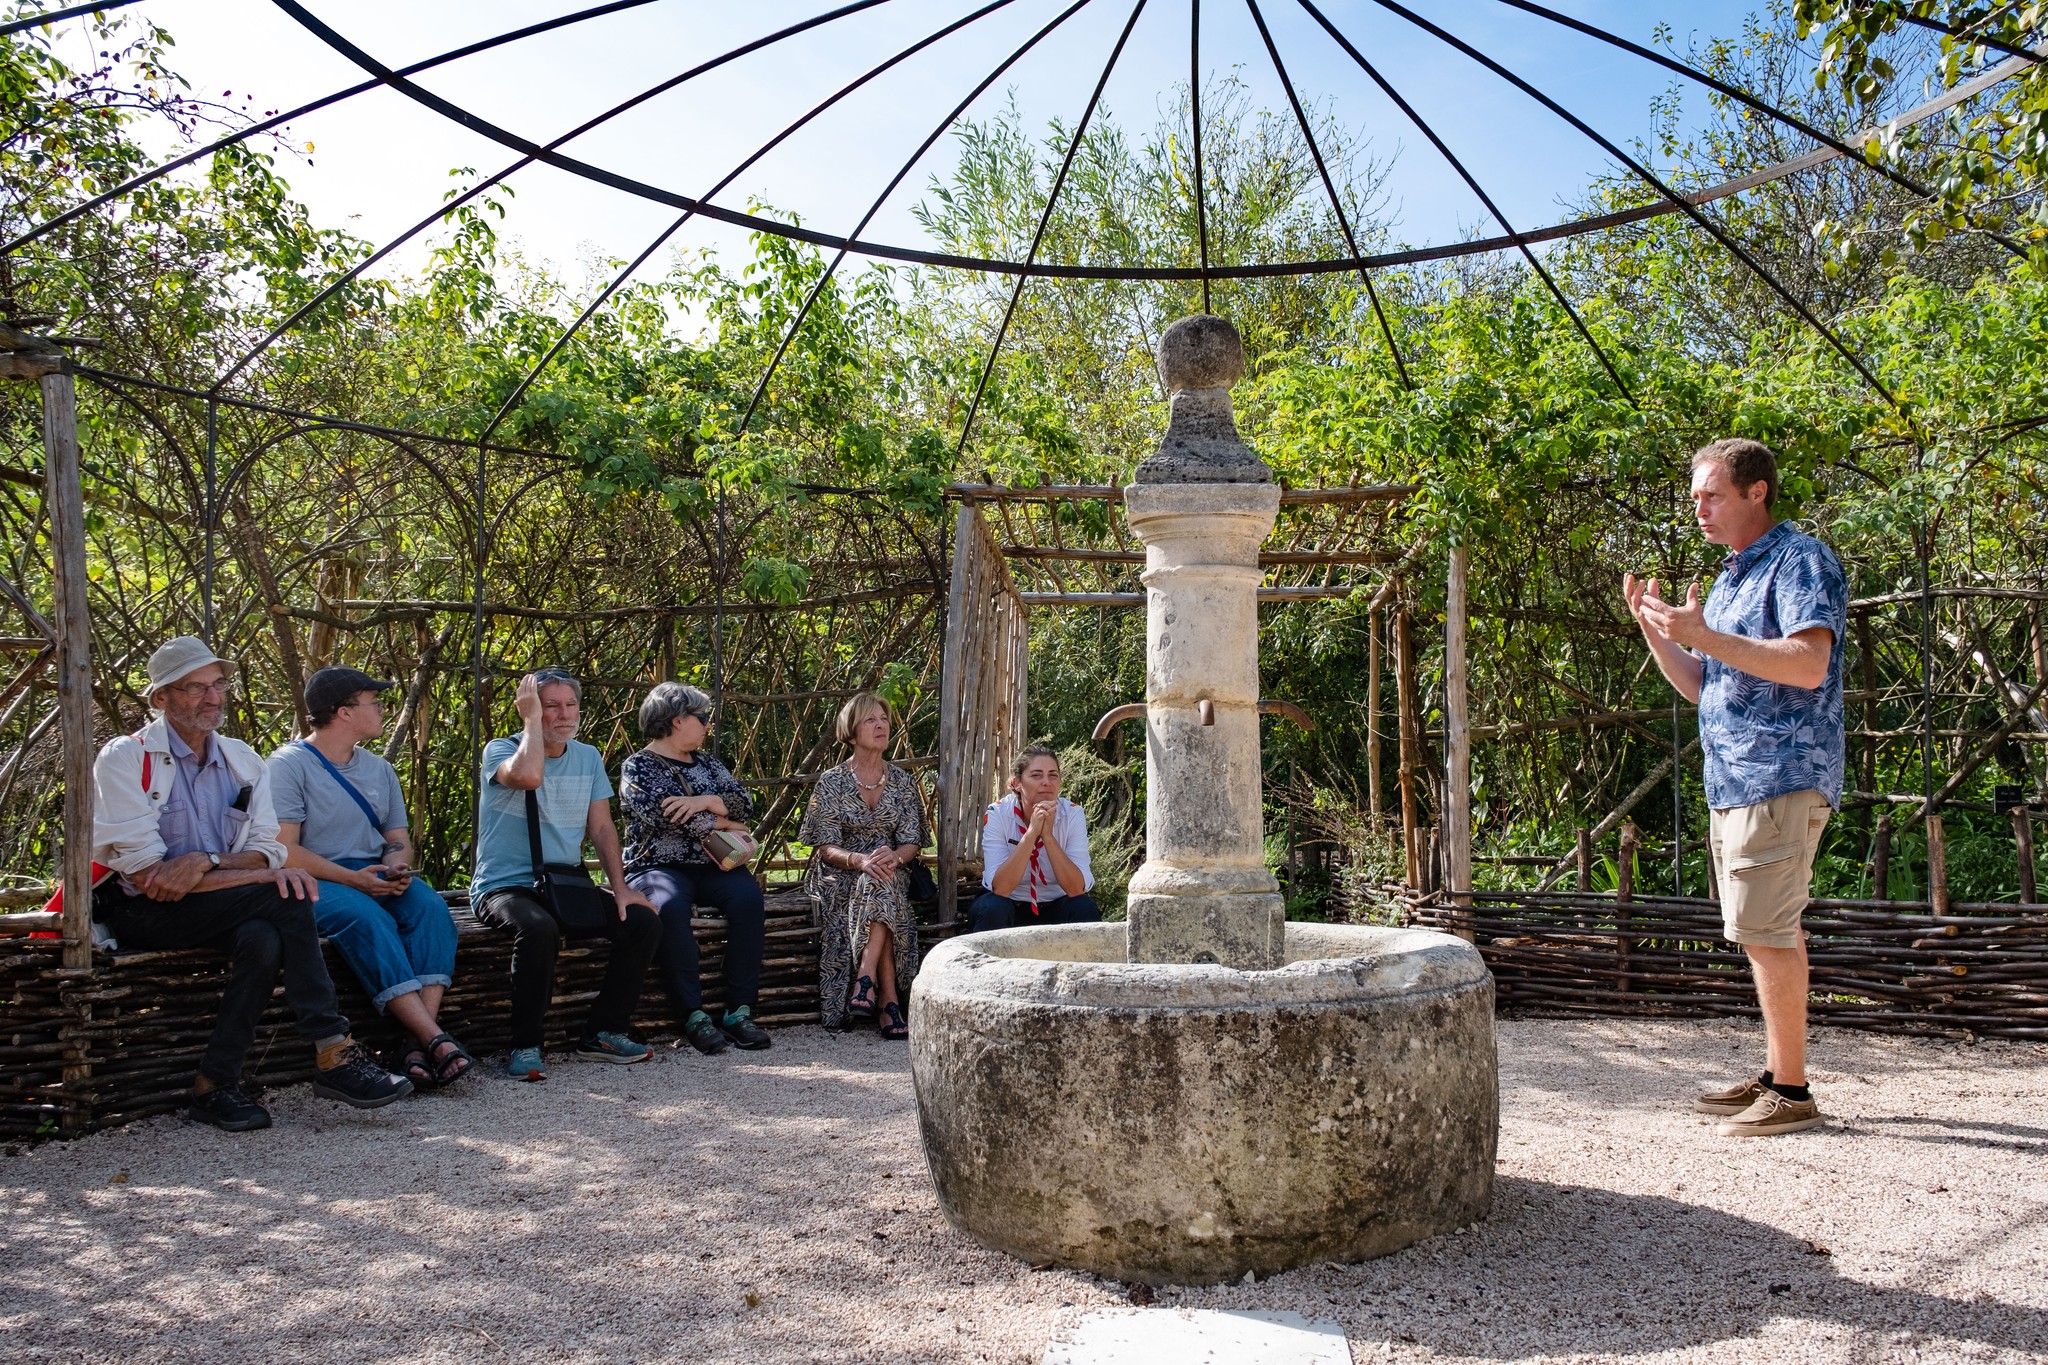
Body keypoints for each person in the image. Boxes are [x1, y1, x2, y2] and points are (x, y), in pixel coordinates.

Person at [90, 637, 411, 1131]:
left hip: (216, 905)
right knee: (283, 890)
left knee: (263, 935)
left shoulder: (241, 758)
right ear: (160, 699)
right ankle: (332, 1048)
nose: (213, 698)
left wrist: (209, 859)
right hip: (140, 911)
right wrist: (258, 871)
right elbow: (150, 879)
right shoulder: (126, 759)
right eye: (194, 688)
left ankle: (214, 1086)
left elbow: (268, 848)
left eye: (217, 685)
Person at [1624, 438, 1846, 1138]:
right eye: (1695, 495)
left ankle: (1793, 1090)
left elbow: (1810, 664)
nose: (1698, 507)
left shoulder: (1800, 559)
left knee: (1769, 928)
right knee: (1758, 929)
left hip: (1782, 770)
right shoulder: (1730, 579)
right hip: (1736, 780)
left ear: (1757, 492)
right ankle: (1779, 1072)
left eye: (1711, 494)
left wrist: (1706, 636)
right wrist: (1660, 632)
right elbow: (1703, 685)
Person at [269, 666, 473, 1090]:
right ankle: (434, 1038)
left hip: (376, 876)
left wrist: (396, 865)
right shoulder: (287, 766)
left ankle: (416, 1044)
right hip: (318, 881)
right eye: (374, 702)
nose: (382, 709)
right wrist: (354, 879)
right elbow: (285, 849)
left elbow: (396, 838)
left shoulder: (379, 769)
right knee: (368, 919)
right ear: (343, 712)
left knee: (432, 909)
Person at [470, 668, 662, 1080]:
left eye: (570, 704)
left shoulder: (588, 756)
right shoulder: (500, 751)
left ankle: (603, 1033)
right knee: (538, 928)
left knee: (642, 921)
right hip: (504, 886)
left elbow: (602, 828)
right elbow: (528, 776)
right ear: (530, 709)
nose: (563, 714)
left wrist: (621, 889)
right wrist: (529, 724)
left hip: (562, 882)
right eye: (550, 706)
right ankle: (525, 1045)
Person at [619, 682, 771, 1055]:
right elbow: (662, 815)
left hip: (713, 864)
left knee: (749, 900)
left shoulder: (709, 764)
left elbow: (744, 804)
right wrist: (725, 823)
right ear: (677, 720)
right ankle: (693, 1015)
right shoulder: (639, 766)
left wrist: (707, 800)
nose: (708, 725)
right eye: (702, 718)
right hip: (657, 864)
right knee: (669, 909)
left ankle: (739, 1011)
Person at [798, 692, 927, 1039]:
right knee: (877, 882)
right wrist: (859, 860)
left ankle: (865, 981)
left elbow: (913, 841)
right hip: (840, 873)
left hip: (891, 869)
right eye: (870, 720)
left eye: (883, 718)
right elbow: (825, 846)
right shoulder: (831, 781)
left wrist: (895, 857)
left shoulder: (902, 782)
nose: (881, 724)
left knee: (881, 880)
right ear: (852, 733)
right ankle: (887, 1000)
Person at [970, 745, 1101, 933]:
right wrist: (1031, 833)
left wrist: (1048, 837)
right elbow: (1001, 888)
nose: (1046, 782)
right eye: (1036, 775)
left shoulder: (1072, 813)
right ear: (1017, 783)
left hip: (1056, 904)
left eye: (1053, 775)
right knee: (993, 907)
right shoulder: (998, 813)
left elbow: (1076, 889)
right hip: (1010, 904)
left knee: (1084, 908)